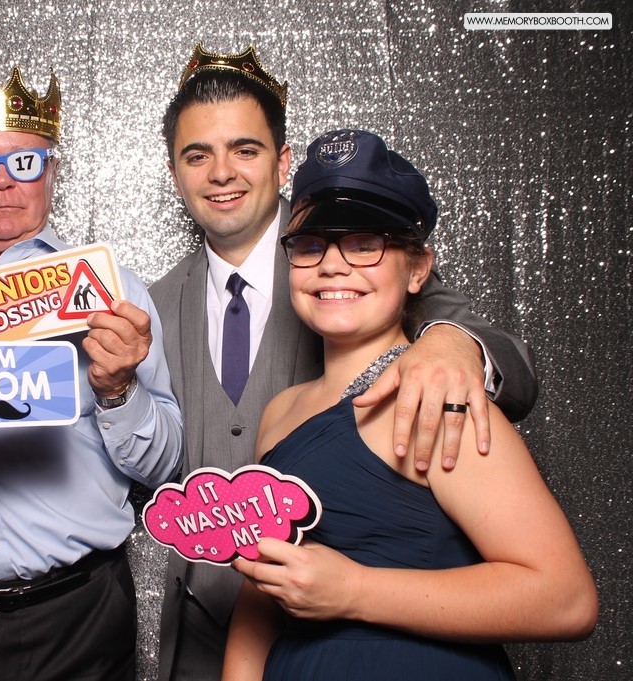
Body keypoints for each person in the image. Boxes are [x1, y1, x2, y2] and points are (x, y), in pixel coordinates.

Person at [149, 45, 540, 681]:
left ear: (281, 164)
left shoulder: (362, 262)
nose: (221, 173)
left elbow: (505, 359)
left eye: (244, 150)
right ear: (175, 173)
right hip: (207, 632)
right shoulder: (151, 304)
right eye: (198, 155)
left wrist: (454, 343)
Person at [222, 128, 597, 680]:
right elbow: (262, 588)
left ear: (418, 269)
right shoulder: (281, 412)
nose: (331, 265)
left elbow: (566, 599)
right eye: (310, 245)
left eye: (364, 243)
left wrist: (355, 590)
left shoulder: (443, 398)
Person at [0, 65, 183, 681]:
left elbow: (165, 466)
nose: (2, 181)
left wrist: (119, 391)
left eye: (25, 162)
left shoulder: (114, 294)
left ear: (52, 171)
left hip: (82, 613)